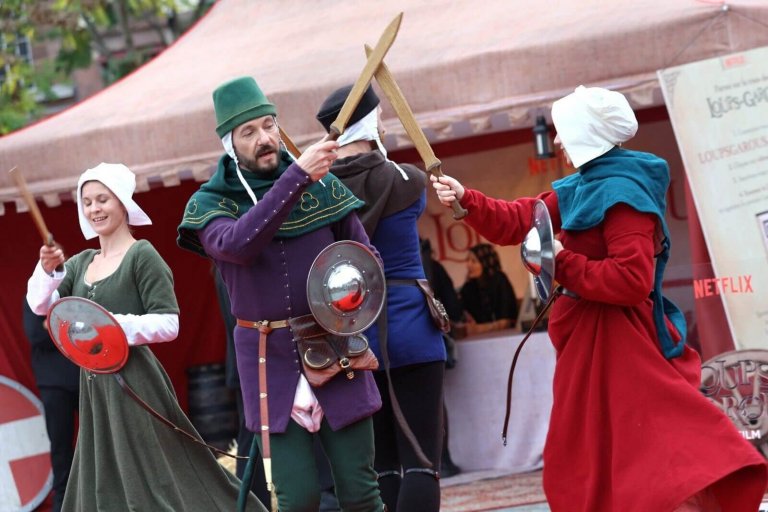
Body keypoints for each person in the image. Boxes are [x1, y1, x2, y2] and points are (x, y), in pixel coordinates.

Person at [430, 85, 768, 511]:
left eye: (562, 131)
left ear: (584, 133)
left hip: (620, 343)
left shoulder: (624, 195)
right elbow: (521, 220)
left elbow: (631, 280)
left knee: (637, 451)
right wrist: (467, 199)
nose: (555, 141)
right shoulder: (580, 186)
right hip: (586, 341)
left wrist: (562, 261)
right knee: (587, 451)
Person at [177, 76, 384, 512]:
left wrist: (354, 293)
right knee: (298, 500)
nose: (265, 138)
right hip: (269, 361)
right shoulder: (209, 204)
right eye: (249, 132)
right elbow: (238, 246)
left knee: (362, 493)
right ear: (230, 144)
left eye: (269, 125)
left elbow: (368, 260)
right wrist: (296, 176)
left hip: (337, 345)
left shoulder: (324, 186)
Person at [26, 162, 264, 511]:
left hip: (136, 381)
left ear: (122, 202)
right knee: (102, 477)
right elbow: (40, 305)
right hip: (94, 386)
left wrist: (110, 326)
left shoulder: (142, 255)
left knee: (154, 478)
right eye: (88, 201)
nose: (95, 208)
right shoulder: (79, 263)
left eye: (103, 199)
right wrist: (47, 271)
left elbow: (169, 323)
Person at [316, 84, 446, 512]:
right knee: (422, 462)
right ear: (373, 123)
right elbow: (393, 178)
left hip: (355, 334)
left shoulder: (320, 194)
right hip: (412, 327)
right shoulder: (405, 178)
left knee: (385, 466)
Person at [22, 299, 79, 512]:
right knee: (60, 447)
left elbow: (91, 330)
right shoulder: (36, 295)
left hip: (87, 379)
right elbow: (36, 336)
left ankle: (100, 495)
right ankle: (62, 503)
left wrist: (51, 323)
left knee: (98, 441)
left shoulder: (81, 290)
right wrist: (70, 323)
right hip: (53, 383)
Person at [458, 243, 518, 336]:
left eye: (473, 261)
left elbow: (506, 322)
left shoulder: (499, 280)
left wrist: (480, 328)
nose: (468, 265)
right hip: (479, 339)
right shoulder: (468, 287)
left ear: (485, 263)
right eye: (468, 260)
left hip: (506, 336)